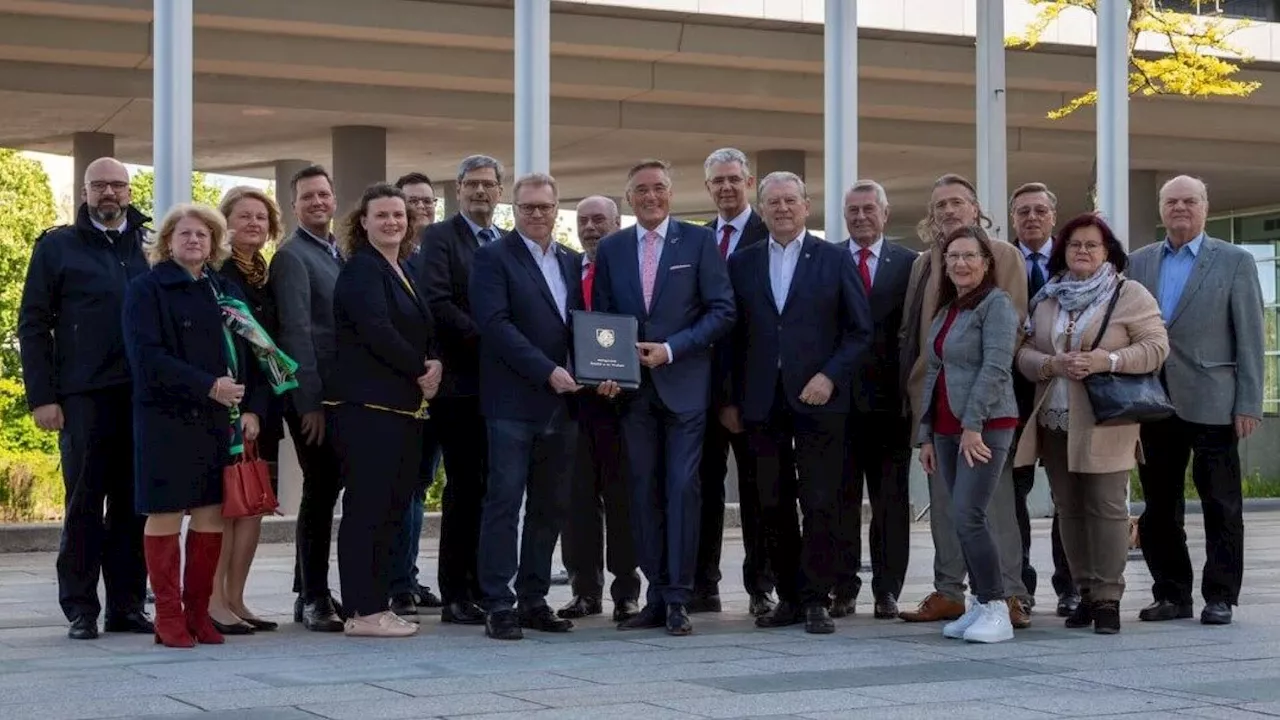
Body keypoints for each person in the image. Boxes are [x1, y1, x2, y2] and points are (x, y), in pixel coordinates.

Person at [122, 203, 278, 648]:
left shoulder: (225, 291)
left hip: (219, 421)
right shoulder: (146, 289)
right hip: (165, 419)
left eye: (203, 235)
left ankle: (198, 614)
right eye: (184, 234)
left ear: (214, 245)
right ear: (167, 242)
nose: (194, 240)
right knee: (166, 512)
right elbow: (146, 357)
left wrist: (254, 409)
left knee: (211, 515)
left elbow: (256, 352)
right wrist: (208, 385)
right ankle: (168, 616)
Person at [592, 159, 736, 636]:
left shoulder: (699, 241)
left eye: (658, 188)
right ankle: (655, 595)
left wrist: (673, 350)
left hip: (684, 389)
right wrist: (605, 371)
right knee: (642, 493)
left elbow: (722, 311)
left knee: (681, 488)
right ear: (628, 198)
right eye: (640, 190)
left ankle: (680, 596)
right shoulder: (611, 249)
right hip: (633, 395)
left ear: (671, 194)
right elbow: (605, 320)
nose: (650, 197)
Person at [726, 172, 871, 634]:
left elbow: (859, 331)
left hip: (819, 400)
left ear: (806, 206)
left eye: (791, 200)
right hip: (762, 402)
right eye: (773, 202)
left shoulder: (832, 258)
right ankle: (788, 596)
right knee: (771, 502)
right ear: (762, 209)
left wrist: (829, 376)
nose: (782, 208)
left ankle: (816, 599)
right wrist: (728, 399)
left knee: (821, 500)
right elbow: (732, 337)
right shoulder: (743, 263)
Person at [17, 156, 153, 640]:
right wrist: (42, 397)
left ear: (131, 192)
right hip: (83, 396)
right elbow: (33, 326)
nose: (109, 193)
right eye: (100, 186)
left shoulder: (149, 245)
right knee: (84, 504)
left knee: (135, 505)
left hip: (141, 396)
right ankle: (80, 607)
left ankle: (127, 605)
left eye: (118, 185)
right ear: (85, 191)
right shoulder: (57, 246)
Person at [1013, 213, 1169, 634]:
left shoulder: (1128, 294)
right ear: (1063, 250)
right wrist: (1049, 363)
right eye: (1075, 244)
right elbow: (1022, 353)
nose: (1082, 251)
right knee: (1070, 510)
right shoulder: (1047, 297)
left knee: (1106, 508)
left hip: (1106, 421)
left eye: (1091, 245)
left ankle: (1108, 598)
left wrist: (1107, 360)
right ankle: (1083, 592)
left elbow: (1156, 348)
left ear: (1107, 252)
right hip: (1055, 420)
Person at [470, 173, 609, 640]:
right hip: (513, 402)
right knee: (504, 502)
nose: (536, 215)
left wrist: (599, 368)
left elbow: (583, 327)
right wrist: (546, 369)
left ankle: (533, 598)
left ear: (556, 210)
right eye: (527, 207)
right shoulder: (492, 258)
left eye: (544, 207)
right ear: (514, 209)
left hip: (564, 405)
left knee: (551, 505)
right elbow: (496, 325)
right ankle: (497, 603)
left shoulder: (572, 261)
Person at [1129, 175, 1264, 626]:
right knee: (1159, 506)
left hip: (1214, 400)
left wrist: (1248, 401)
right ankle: (1171, 593)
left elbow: (1249, 337)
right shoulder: (1139, 262)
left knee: (1221, 504)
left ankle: (1220, 595)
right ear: (1161, 208)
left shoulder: (1234, 261)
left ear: (1205, 207)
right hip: (1153, 400)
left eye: (1190, 201)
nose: (1180, 208)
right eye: (1172, 202)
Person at [899, 174, 1030, 629]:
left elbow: (1004, 343)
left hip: (984, 410)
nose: (948, 211)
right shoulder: (923, 264)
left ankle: (1007, 595)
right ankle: (952, 591)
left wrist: (977, 414)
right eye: (940, 206)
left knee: (988, 506)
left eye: (957, 203)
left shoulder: (1003, 257)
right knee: (948, 506)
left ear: (976, 209)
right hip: (936, 407)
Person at [330, 183, 441, 637]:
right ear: (364, 222)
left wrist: (433, 362)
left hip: (399, 411)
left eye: (399, 215)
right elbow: (375, 329)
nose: (393, 221)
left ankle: (377, 604)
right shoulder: (361, 269)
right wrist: (421, 368)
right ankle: (362, 611)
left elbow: (418, 327)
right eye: (382, 215)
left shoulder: (400, 269)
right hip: (367, 410)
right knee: (367, 510)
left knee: (391, 509)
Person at [916, 225, 1020, 644]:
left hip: (985, 427)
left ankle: (997, 606)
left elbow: (996, 368)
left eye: (969, 256)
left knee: (969, 515)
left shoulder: (996, 305)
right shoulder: (948, 310)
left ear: (986, 263)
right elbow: (933, 374)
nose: (960, 263)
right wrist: (925, 434)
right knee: (960, 519)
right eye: (953, 257)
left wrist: (973, 426)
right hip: (944, 429)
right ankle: (978, 604)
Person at [416, 155, 507, 626]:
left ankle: (484, 585)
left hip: (501, 387)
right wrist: (493, 341)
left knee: (495, 488)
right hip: (459, 386)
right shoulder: (438, 238)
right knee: (465, 488)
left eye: (489, 185)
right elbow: (436, 302)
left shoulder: (506, 243)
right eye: (472, 184)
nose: (480, 192)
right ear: (458, 188)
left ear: (500, 190)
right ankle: (456, 593)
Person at [696, 147, 776, 617]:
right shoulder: (695, 239)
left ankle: (760, 585)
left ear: (749, 183)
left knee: (758, 492)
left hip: (756, 391)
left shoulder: (774, 234)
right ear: (707, 188)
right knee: (702, 492)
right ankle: (702, 584)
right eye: (717, 181)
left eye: (734, 179)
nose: (726, 187)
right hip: (701, 392)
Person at [557, 196, 642, 623]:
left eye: (600, 220)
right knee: (577, 501)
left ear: (616, 224)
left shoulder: (630, 268)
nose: (591, 228)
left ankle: (626, 590)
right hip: (572, 401)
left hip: (621, 402)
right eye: (584, 221)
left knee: (623, 497)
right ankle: (584, 590)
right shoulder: (565, 267)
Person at [835, 180, 916, 619]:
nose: (861, 217)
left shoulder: (909, 264)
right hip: (839, 404)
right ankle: (842, 587)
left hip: (891, 405)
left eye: (869, 209)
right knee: (839, 500)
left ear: (885, 213)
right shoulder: (827, 260)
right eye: (853, 210)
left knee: (890, 503)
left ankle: (887, 590)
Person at [271, 164, 346, 632]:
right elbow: (297, 334)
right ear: (293, 206)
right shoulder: (292, 257)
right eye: (307, 197)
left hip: (343, 397)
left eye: (323, 194)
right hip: (314, 400)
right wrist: (309, 404)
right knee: (320, 492)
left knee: (328, 489)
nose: (317, 202)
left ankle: (307, 589)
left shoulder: (338, 253)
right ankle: (315, 596)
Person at [211, 186, 288, 634]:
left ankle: (237, 598)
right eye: (244, 216)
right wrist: (246, 407)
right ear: (226, 223)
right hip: (232, 407)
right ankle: (215, 598)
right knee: (227, 506)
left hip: (265, 405)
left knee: (253, 502)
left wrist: (261, 406)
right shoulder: (220, 275)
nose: (254, 224)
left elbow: (271, 348)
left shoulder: (266, 273)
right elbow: (235, 349)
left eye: (261, 217)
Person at [1007, 182, 1080, 617]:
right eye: (1022, 212)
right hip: (1011, 398)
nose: (1031, 218)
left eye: (1039, 211)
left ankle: (1070, 584)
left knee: (1065, 493)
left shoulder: (1072, 259)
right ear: (1012, 218)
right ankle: (1020, 584)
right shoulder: (1000, 260)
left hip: (1063, 395)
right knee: (1012, 493)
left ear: (1053, 216)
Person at [390, 170, 444, 616]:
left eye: (428, 201)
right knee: (402, 486)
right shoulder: (389, 259)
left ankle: (409, 575)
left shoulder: (440, 253)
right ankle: (397, 581)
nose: (422, 208)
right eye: (413, 201)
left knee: (422, 485)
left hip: (440, 388)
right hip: (400, 391)